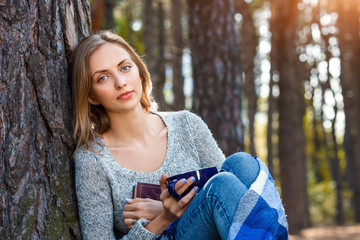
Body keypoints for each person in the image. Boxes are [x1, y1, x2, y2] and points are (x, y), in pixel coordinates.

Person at [71, 30, 288, 240]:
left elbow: (230, 204)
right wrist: (164, 218)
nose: (121, 82)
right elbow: (218, 192)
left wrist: (166, 208)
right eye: (103, 78)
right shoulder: (93, 160)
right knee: (220, 185)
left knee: (242, 164)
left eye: (125, 68)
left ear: (138, 70)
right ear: (91, 96)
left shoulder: (187, 125)